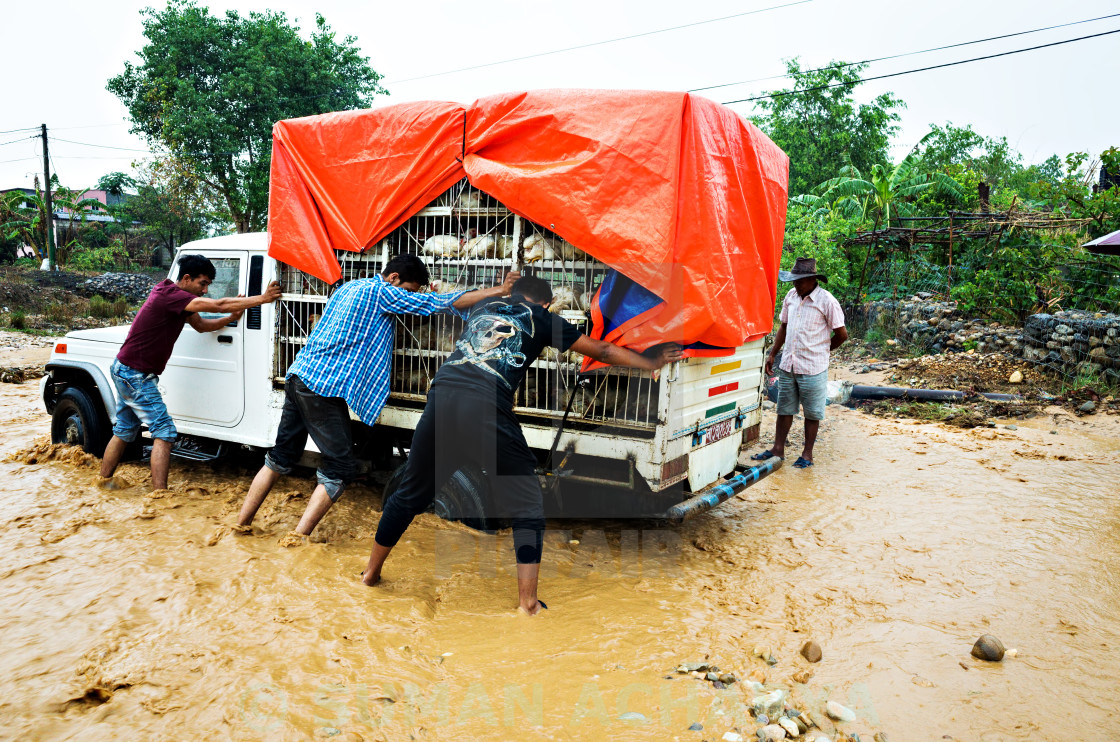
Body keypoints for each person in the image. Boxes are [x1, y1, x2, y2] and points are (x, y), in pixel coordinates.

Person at [361, 275, 683, 614]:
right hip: (485, 406)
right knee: (527, 506)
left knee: (411, 493)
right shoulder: (542, 317)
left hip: (440, 397)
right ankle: (528, 605)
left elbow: (458, 303)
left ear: (513, 294)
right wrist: (651, 361)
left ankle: (370, 574)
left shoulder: (482, 306)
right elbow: (601, 349)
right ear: (544, 303)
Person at [236, 254, 519, 538]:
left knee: (281, 456)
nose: (406, 296)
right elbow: (438, 304)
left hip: (299, 375)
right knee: (341, 467)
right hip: (321, 388)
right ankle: (298, 538)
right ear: (394, 278)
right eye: (408, 290)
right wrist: (500, 291)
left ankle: (242, 522)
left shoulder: (349, 287)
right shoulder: (383, 292)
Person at [100, 254, 282, 489]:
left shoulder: (173, 297)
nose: (205, 290)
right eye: (203, 283)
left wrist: (230, 318)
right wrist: (263, 298)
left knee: (125, 430)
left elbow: (202, 326)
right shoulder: (170, 296)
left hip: (126, 369)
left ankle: (103, 481)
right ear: (186, 278)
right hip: (135, 374)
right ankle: (160, 497)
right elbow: (219, 304)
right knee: (164, 432)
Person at [751, 257, 847, 469]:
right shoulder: (791, 297)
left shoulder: (827, 301)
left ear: (812, 279)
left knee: (812, 412)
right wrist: (773, 353)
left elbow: (842, 334)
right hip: (789, 364)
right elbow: (784, 327)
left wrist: (823, 350)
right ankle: (778, 449)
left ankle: (807, 454)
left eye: (800, 280)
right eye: (794, 280)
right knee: (784, 408)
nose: (795, 284)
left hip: (814, 367)